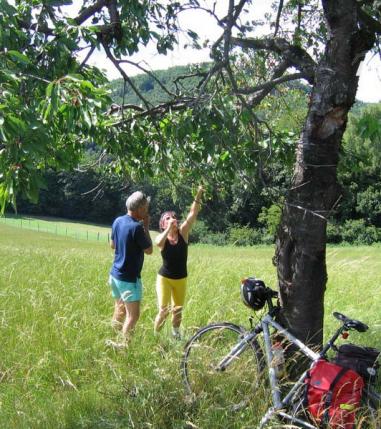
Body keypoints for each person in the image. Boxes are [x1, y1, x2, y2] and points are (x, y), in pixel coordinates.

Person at [154, 185, 204, 339]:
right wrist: (167, 230)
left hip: (181, 279)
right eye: (167, 218)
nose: (171, 220)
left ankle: (175, 335)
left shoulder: (183, 233)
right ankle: (156, 335)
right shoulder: (161, 238)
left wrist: (199, 193)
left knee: (178, 309)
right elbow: (157, 243)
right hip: (165, 279)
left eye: (173, 217)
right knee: (164, 309)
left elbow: (193, 213)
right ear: (162, 224)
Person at [107, 191, 153, 348]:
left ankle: (111, 339)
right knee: (133, 316)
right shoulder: (137, 228)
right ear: (139, 208)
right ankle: (122, 347)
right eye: (146, 208)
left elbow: (112, 245)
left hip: (115, 275)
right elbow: (149, 250)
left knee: (119, 310)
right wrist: (146, 226)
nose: (147, 212)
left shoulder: (118, 221)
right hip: (128, 279)